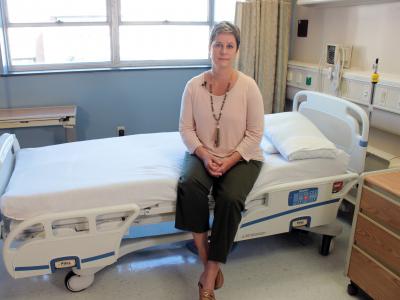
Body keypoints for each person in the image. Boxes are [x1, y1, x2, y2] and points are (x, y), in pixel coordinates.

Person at [175, 21, 264, 300]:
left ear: (237, 50)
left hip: (241, 157)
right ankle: (206, 260)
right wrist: (203, 153)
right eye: (218, 44)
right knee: (189, 185)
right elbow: (186, 129)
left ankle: (209, 277)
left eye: (229, 45)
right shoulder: (193, 86)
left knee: (231, 198)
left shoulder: (249, 87)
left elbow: (255, 134)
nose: (223, 51)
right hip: (202, 153)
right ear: (210, 47)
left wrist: (228, 161)